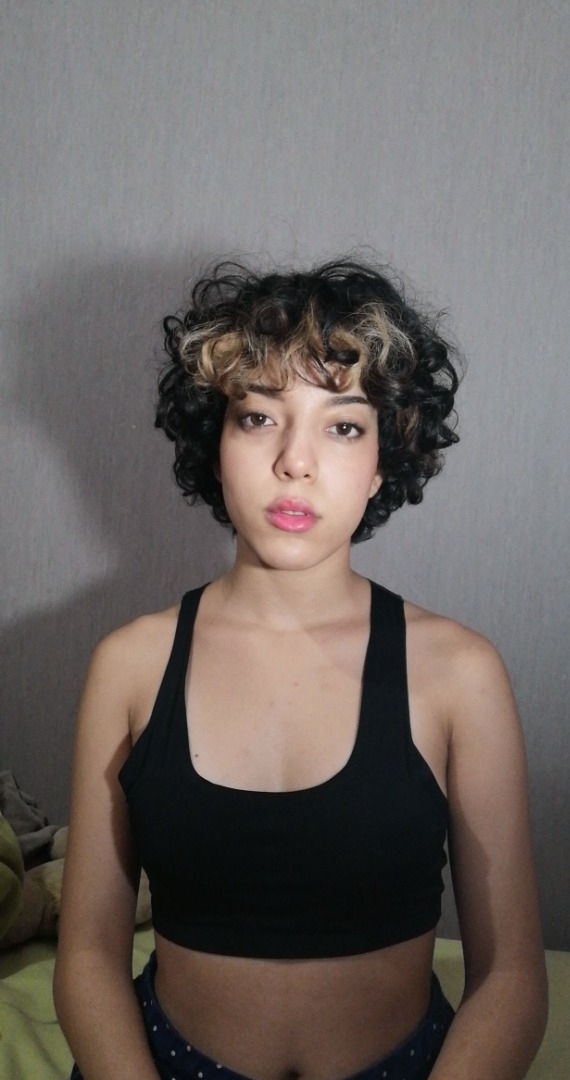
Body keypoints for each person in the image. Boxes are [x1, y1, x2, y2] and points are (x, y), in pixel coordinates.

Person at [54, 258, 548, 1080]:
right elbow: (86, 959)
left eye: (343, 426)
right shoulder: (129, 666)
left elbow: (513, 980)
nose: (295, 461)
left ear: (385, 458)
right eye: (258, 417)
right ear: (214, 443)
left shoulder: (461, 673)